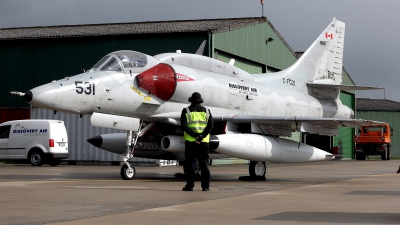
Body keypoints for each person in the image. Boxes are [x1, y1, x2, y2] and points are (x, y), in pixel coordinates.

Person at [180, 92, 213, 191]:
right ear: (200, 100)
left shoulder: (186, 111)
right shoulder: (207, 111)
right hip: (204, 142)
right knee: (204, 164)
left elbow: (184, 126)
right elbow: (210, 126)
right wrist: (201, 137)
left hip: (191, 142)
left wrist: (195, 136)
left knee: (190, 164)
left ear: (191, 100)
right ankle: (205, 186)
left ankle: (190, 186)